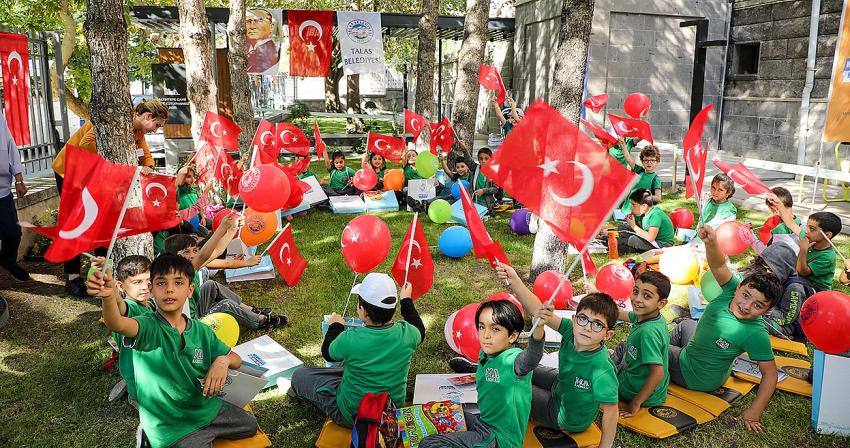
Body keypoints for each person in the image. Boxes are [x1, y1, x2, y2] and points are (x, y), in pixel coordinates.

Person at [87, 254, 258, 448]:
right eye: (161, 283)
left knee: (250, 425)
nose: (169, 289)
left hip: (205, 409)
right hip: (172, 424)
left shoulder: (200, 330)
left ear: (190, 290)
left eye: (178, 282)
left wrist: (222, 362)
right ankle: (149, 437)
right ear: (151, 289)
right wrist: (109, 296)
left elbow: (234, 358)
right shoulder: (148, 327)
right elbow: (116, 323)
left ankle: (206, 435)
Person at [491, 264, 619, 448]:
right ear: (574, 320)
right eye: (583, 319)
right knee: (521, 367)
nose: (588, 327)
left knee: (516, 387)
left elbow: (611, 410)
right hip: (560, 386)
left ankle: (495, 376)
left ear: (608, 335)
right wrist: (514, 280)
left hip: (564, 415)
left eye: (598, 324)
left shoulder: (602, 368)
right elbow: (538, 309)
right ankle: (490, 366)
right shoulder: (569, 330)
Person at [668, 224, 780, 432]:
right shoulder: (730, 289)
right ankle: (659, 357)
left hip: (696, 375)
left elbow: (770, 375)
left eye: (758, 306)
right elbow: (719, 265)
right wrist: (711, 242)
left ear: (766, 310)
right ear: (739, 287)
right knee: (686, 325)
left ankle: (627, 363)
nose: (746, 306)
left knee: (651, 345)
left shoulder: (756, 333)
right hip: (696, 354)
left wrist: (753, 412)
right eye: (746, 296)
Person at [53, 99, 168, 297]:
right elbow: (86, 144)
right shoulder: (113, 121)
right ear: (148, 116)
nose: (156, 130)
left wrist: (147, 166)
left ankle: (100, 274)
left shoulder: (137, 130)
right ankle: (72, 279)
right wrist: (120, 163)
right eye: (157, 125)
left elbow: (145, 155)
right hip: (71, 173)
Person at [290, 274, 425, 427]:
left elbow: (328, 352)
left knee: (299, 375)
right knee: (345, 364)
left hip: (354, 415)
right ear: (394, 312)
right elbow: (420, 328)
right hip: (391, 411)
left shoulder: (350, 339)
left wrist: (336, 325)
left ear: (363, 311)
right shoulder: (408, 333)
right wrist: (406, 300)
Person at [419, 300, 544, 448]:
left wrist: (539, 328)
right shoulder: (485, 354)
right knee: (445, 412)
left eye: (495, 329)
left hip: (499, 439)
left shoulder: (513, 360)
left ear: (512, 335)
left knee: (429, 443)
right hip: (484, 422)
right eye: (481, 327)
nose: (485, 335)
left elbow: (532, 357)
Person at [164, 216, 287, 330]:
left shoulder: (190, 265)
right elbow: (204, 255)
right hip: (191, 326)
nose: (192, 255)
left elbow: (217, 250)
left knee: (211, 285)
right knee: (226, 305)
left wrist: (232, 230)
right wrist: (222, 227)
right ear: (173, 256)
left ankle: (251, 310)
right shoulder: (179, 272)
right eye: (186, 252)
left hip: (195, 311)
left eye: (194, 250)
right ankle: (261, 321)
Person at [762, 211, 841, 339]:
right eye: (807, 227)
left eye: (811, 228)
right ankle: (771, 308)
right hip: (799, 283)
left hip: (815, 295)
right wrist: (779, 205)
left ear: (827, 235)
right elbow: (791, 223)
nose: (807, 231)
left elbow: (802, 271)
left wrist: (803, 250)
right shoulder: (812, 237)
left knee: (794, 287)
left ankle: (788, 326)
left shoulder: (827, 256)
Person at [96, 255, 154, 408]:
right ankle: (132, 397)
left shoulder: (151, 305)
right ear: (121, 286)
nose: (144, 287)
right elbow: (120, 305)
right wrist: (109, 289)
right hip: (140, 379)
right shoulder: (131, 306)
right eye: (137, 282)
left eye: (148, 281)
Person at [610, 271, 670, 417]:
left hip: (633, 390)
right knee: (621, 348)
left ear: (661, 303)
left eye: (647, 296)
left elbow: (657, 373)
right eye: (635, 292)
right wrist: (605, 308)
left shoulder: (647, 334)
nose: (637, 299)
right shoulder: (649, 316)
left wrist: (635, 404)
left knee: (598, 365)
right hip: (656, 389)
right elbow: (624, 314)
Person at [0, 112, 29, 281]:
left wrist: (18, 178)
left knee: (13, 233)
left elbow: (9, 144)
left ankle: (8, 261)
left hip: (2, 190)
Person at [620, 145, 662, 215]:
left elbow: (658, 198)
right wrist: (623, 145)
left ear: (657, 162)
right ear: (642, 161)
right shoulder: (639, 170)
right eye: (646, 160)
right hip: (628, 209)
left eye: (652, 160)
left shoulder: (655, 179)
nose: (649, 163)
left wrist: (643, 197)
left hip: (641, 212)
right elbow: (628, 159)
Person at [246, 8, 280, 74]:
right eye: (248, 21)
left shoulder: (273, 53)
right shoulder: (243, 50)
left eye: (259, 21)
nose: (252, 26)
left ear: (271, 26)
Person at [470, 148, 503, 212]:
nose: (483, 161)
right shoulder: (475, 168)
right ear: (478, 159)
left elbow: (495, 189)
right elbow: (468, 160)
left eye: (486, 158)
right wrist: (464, 149)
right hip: (474, 201)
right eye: (481, 159)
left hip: (486, 204)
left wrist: (483, 191)